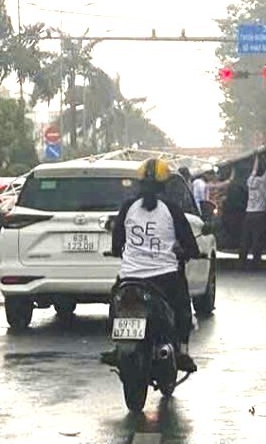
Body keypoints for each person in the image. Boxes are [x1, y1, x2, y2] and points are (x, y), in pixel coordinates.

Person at [106, 158, 200, 372]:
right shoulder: (172, 210)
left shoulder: (127, 207)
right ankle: (183, 352)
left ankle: (116, 347)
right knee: (182, 307)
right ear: (165, 184)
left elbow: (117, 242)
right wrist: (187, 252)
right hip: (165, 277)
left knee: (115, 304)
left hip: (130, 277)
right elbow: (190, 246)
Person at [239, 150, 266, 267]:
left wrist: (257, 158)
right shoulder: (262, 182)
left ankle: (242, 259)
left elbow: (253, 170)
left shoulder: (250, 182)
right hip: (259, 214)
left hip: (249, 213)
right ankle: (256, 261)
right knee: (257, 237)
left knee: (246, 237)